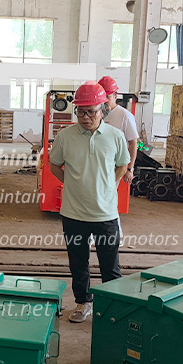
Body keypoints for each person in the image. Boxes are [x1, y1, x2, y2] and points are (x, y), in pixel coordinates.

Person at [49, 81, 130, 323]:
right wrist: (73, 183)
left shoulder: (115, 136)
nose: (85, 117)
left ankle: (111, 308)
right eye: (81, 111)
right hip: (74, 214)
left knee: (110, 265)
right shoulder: (65, 136)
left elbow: (122, 165)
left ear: (103, 108)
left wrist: (108, 185)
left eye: (91, 111)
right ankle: (83, 303)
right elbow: (54, 165)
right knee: (78, 262)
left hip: (105, 214)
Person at [98, 76, 139, 185]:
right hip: (97, 164)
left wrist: (130, 169)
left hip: (115, 166)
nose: (105, 101)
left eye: (108, 97)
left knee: (107, 195)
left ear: (115, 96)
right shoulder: (96, 113)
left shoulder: (125, 116)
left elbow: (133, 142)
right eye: (102, 97)